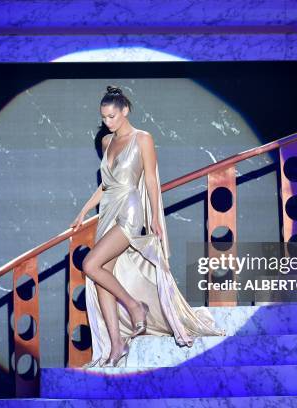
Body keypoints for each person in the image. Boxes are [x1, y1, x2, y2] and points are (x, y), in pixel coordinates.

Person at [70, 85, 225, 368]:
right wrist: (83, 210)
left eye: (112, 116)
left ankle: (133, 305)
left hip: (129, 210)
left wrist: (155, 215)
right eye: (104, 118)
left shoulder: (143, 139)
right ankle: (116, 345)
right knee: (100, 274)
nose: (108, 122)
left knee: (90, 264)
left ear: (125, 111)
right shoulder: (106, 142)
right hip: (107, 211)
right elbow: (106, 184)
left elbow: (151, 180)